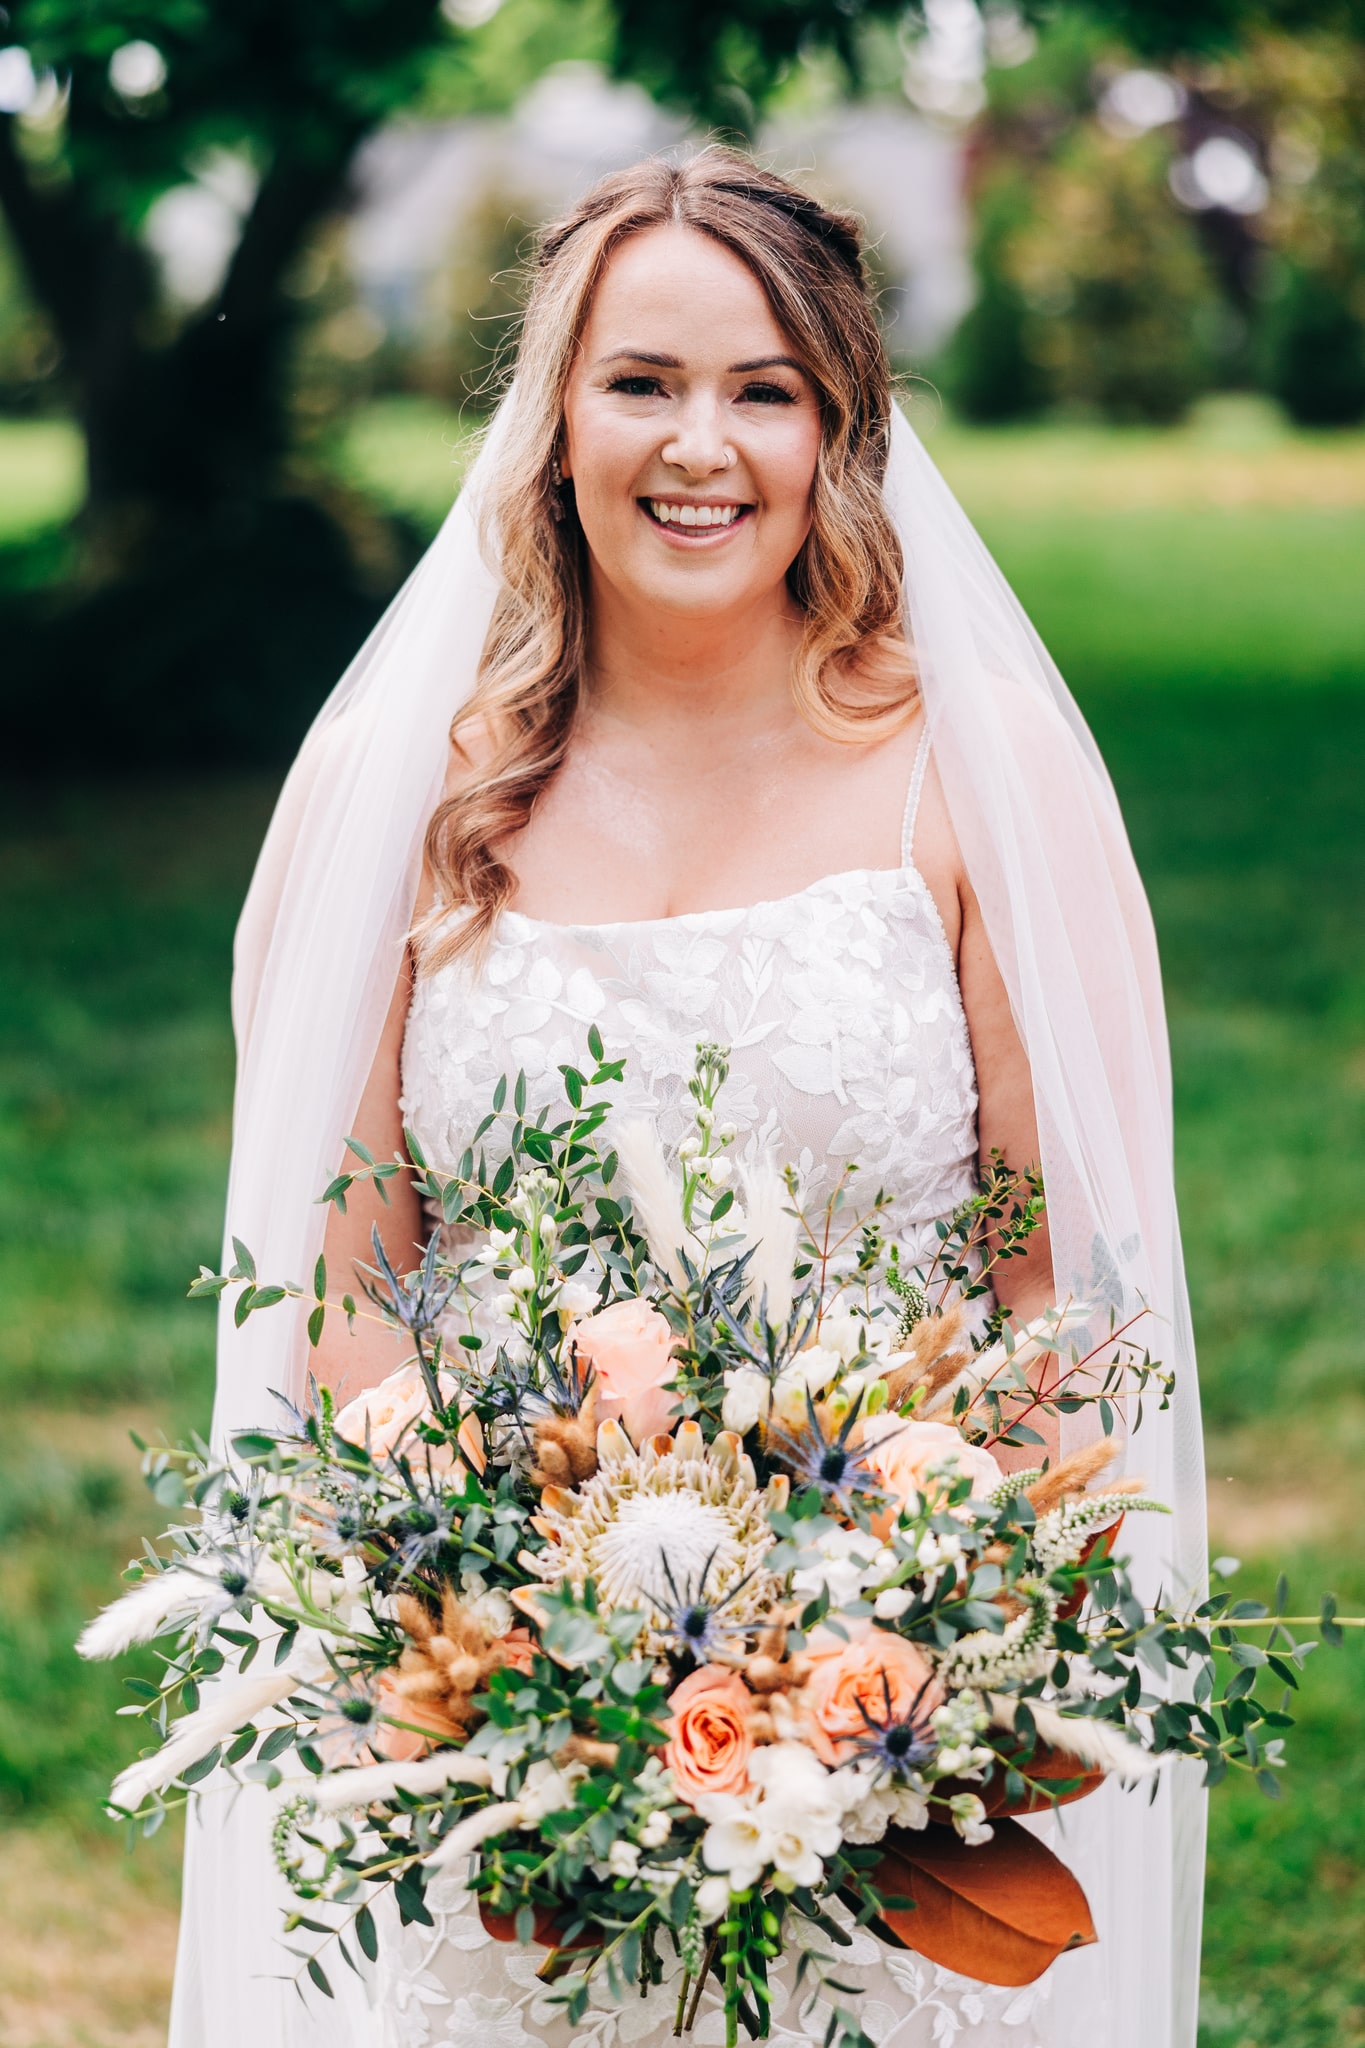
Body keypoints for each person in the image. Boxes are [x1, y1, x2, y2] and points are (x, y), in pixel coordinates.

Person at [175, 152, 1206, 2048]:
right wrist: (490, 1597)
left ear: (841, 428)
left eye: (763, 391)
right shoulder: (409, 793)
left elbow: (1064, 1282)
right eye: (639, 379)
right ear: (551, 411)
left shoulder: (974, 786)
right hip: (493, 1707)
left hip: (882, 1715)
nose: (697, 446)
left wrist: (907, 1608)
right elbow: (338, 1289)